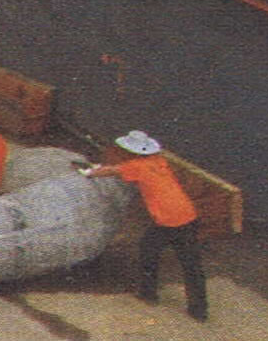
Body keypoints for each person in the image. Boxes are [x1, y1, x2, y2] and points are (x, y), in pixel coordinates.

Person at [83, 131, 208, 322]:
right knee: (191, 265)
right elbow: (124, 169)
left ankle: (148, 293)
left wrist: (90, 172)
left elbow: (113, 171)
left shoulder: (136, 166)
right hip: (188, 216)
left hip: (167, 221)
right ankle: (199, 311)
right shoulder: (159, 161)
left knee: (148, 251)